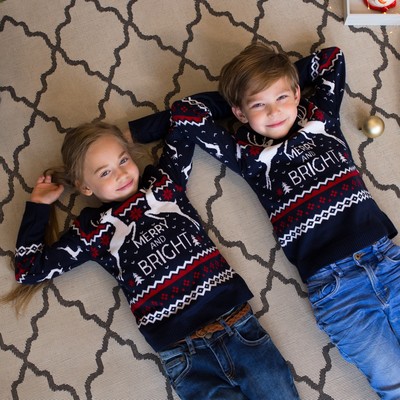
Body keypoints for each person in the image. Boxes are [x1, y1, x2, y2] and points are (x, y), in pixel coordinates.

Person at [128, 43, 400, 399]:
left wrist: (268, 84)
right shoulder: (247, 156)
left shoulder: (321, 119)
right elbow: (186, 114)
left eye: (282, 97)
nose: (274, 111)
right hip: (336, 290)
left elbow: (331, 58)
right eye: (259, 105)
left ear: (298, 94)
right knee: (394, 382)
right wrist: (239, 98)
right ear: (239, 114)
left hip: (386, 259)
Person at [10, 121, 300, 400]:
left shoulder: (164, 185)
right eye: (105, 172)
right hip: (185, 356)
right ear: (84, 187)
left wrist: (133, 131)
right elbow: (28, 269)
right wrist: (39, 206)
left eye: (123, 160)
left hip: (236, 325)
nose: (121, 174)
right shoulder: (92, 232)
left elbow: (185, 120)